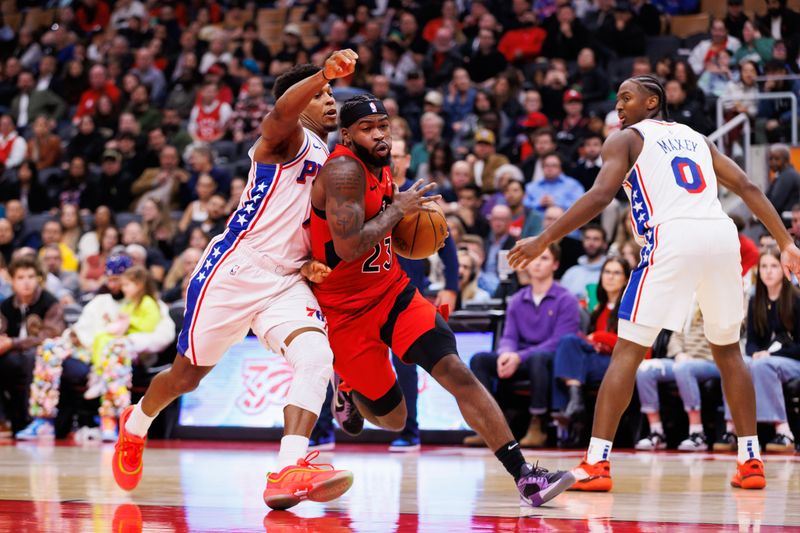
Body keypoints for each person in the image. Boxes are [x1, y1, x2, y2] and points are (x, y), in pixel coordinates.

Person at [508, 75, 800, 491]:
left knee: (628, 349)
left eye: (627, 97)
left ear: (652, 102)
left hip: (672, 237)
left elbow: (598, 196)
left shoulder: (625, 140)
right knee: (729, 352)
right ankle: (750, 459)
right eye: (617, 98)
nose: (618, 106)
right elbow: (747, 186)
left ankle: (596, 462)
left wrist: (545, 238)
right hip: (722, 236)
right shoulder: (698, 138)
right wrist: (787, 242)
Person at [110, 52, 360, 510]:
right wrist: (322, 72)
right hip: (235, 270)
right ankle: (136, 423)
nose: (329, 101)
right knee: (187, 377)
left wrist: (309, 262)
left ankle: (289, 467)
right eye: (320, 94)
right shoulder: (285, 138)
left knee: (315, 355)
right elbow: (280, 114)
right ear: (298, 99)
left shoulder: (331, 156)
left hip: (284, 280)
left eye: (330, 95)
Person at [309, 93, 574, 507]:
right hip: (345, 312)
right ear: (346, 134)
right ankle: (346, 388)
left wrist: (414, 222)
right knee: (393, 420)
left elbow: (390, 229)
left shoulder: (384, 167)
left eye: (384, 125)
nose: (379, 134)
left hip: (393, 292)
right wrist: (398, 212)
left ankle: (525, 476)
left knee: (457, 371)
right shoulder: (343, 171)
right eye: (367, 128)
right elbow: (347, 248)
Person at [467, 243, 581, 448]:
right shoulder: (518, 299)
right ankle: (488, 425)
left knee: (539, 358)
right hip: (520, 358)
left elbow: (559, 341)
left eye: (544, 258)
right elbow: (509, 336)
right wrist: (506, 354)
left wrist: (520, 356)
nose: (537, 263)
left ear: (555, 264)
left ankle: (538, 424)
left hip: (549, 361)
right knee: (480, 360)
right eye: (535, 258)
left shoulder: (567, 299)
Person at [634, 301, 740, 452]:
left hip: (713, 361)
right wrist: (679, 353)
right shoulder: (689, 301)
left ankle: (697, 433)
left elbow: (731, 339)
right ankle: (656, 432)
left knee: (684, 369)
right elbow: (675, 337)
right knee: (645, 369)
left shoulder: (723, 300)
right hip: (684, 359)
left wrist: (694, 359)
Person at [551, 257, 630, 447]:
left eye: (616, 273)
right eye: (607, 272)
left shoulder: (630, 307)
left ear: (626, 279)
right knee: (568, 346)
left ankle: (570, 408)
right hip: (597, 361)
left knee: (570, 350)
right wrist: (593, 339)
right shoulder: (598, 308)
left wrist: (598, 337)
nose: (610, 277)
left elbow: (631, 346)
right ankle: (574, 400)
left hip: (617, 365)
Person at [0, 256, 65, 435]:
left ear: (38, 278)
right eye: (20, 278)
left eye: (30, 276)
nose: (26, 282)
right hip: (13, 357)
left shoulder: (50, 302)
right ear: (11, 280)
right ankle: (3, 420)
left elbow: (49, 335)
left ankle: (35, 421)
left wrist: (13, 342)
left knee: (33, 357)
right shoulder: (6, 305)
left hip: (45, 358)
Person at [747, 248, 799, 451]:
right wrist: (755, 354)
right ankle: (734, 429)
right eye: (764, 266)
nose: (768, 271)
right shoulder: (755, 301)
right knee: (738, 366)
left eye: (774, 266)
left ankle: (783, 431)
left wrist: (770, 354)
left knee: (764, 365)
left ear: (784, 269)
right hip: (764, 360)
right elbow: (751, 342)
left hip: (792, 361)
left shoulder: (796, 299)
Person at [560, 224, 608, 304]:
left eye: (596, 239)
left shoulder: (609, 272)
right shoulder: (572, 272)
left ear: (604, 244)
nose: (591, 243)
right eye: (587, 238)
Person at [766, 144, 800, 222]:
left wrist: (756, 218)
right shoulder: (781, 175)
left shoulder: (788, 176)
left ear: (786, 160)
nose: (773, 162)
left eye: (777, 159)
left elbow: (774, 204)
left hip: (787, 226)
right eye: (770, 159)